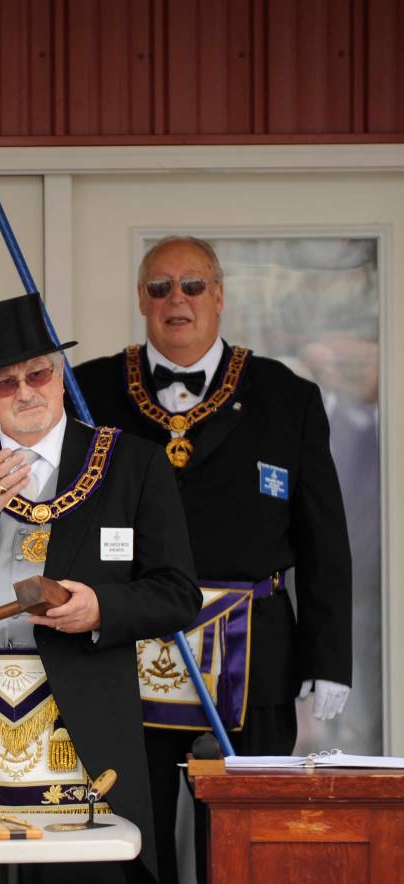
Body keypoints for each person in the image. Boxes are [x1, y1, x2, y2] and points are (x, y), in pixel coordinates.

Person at [0, 293, 202, 883]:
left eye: (38, 373)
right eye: (4, 384)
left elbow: (177, 592)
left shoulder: (132, 465)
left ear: (59, 374)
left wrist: (102, 607)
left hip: (84, 722)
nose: (25, 392)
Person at [71, 236, 353, 883]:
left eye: (192, 286)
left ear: (219, 296)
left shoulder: (288, 397)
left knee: (246, 840)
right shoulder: (88, 392)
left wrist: (327, 657)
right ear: (141, 300)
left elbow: (323, 541)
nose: (177, 300)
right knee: (132, 839)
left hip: (255, 656)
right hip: (126, 646)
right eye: (160, 287)